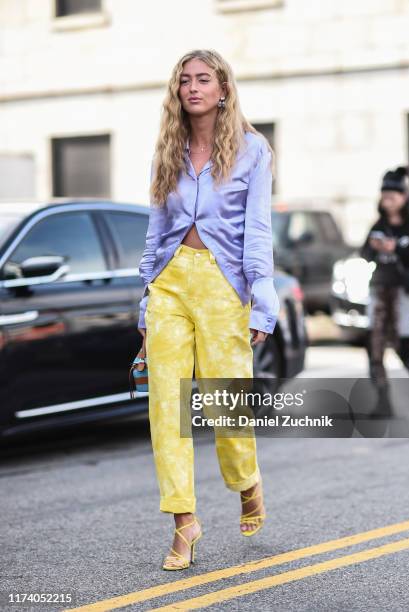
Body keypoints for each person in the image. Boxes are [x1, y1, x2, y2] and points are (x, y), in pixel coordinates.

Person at [135, 49, 279, 570]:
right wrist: (144, 305)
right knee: (165, 408)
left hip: (223, 286)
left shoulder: (252, 150)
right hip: (170, 284)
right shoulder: (166, 152)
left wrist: (262, 302)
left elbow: (258, 230)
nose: (192, 88)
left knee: (225, 404)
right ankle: (184, 522)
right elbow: (155, 234)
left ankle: (246, 481)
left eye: (203, 79)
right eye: (184, 81)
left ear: (222, 88)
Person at [360, 166, 409, 415]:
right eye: (385, 195)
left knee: (403, 346)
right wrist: (375, 246)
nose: (388, 200)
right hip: (380, 289)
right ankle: (383, 401)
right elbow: (364, 254)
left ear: (404, 197)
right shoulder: (378, 224)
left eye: (393, 195)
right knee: (375, 346)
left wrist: (396, 249)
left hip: (403, 292)